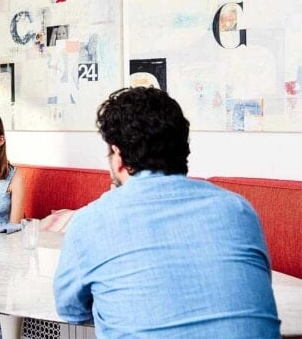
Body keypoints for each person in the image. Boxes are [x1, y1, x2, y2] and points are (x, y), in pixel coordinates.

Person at [53, 87, 280, 337]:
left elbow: (71, 311)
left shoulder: (91, 221)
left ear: (117, 156)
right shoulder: (238, 209)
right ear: (182, 148)